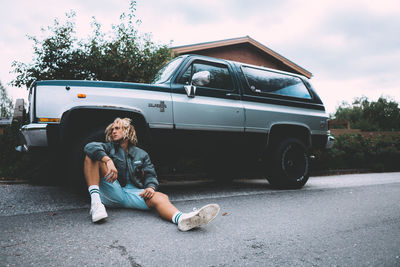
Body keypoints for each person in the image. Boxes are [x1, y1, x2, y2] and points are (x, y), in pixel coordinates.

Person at [83, 117, 220, 231]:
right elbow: (89, 147)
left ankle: (182, 219)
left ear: (127, 131)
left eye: (117, 128)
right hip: (112, 189)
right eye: (112, 129)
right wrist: (107, 160)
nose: (113, 131)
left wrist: (150, 188)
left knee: (160, 197)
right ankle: (96, 205)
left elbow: (150, 174)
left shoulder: (141, 154)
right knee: (92, 156)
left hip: (132, 194)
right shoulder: (109, 147)